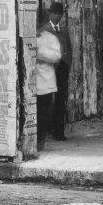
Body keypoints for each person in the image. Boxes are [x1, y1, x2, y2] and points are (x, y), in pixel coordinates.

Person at [43, 2, 72, 141]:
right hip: (50, 69)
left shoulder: (64, 29)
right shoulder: (44, 30)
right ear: (50, 14)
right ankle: (49, 130)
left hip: (62, 68)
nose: (57, 16)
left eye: (60, 14)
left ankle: (59, 131)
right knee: (49, 100)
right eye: (55, 13)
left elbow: (69, 48)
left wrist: (68, 63)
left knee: (61, 99)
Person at [35, 12, 63, 150]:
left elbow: (56, 56)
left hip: (45, 82)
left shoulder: (50, 38)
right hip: (29, 83)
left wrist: (39, 54)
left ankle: (40, 140)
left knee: (43, 112)